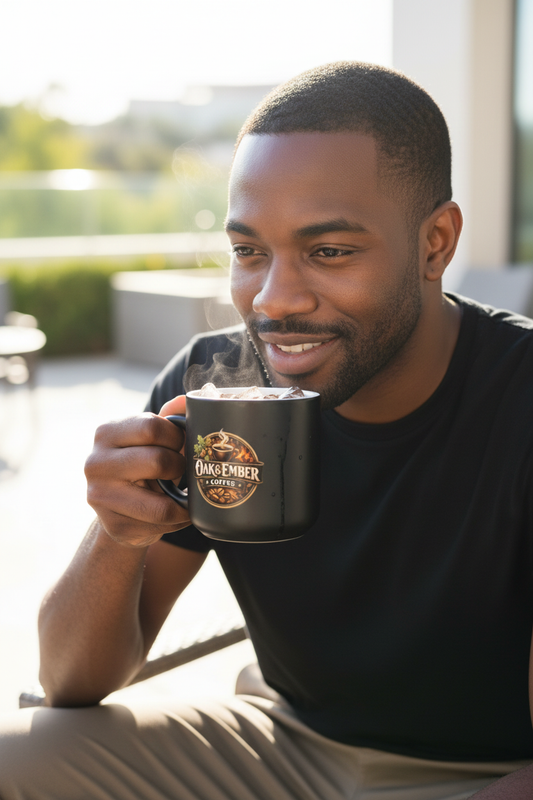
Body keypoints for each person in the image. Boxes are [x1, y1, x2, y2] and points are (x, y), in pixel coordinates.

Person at [1, 61, 533, 800]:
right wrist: (115, 536)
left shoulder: (518, 400)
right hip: (287, 744)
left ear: (434, 243)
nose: (273, 301)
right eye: (249, 251)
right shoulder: (214, 382)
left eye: (329, 251)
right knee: (16, 757)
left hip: (485, 774)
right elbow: (69, 684)